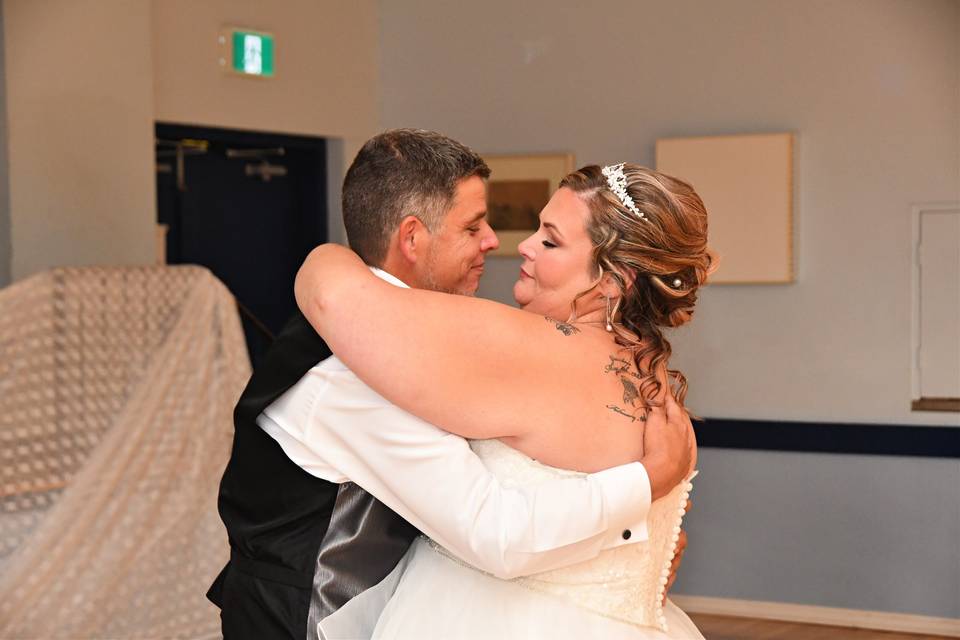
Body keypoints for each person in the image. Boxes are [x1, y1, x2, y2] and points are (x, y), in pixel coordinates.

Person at [206, 129, 696, 640]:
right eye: (473, 226)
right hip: (303, 622)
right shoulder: (357, 369)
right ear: (413, 238)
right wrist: (647, 485)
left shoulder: (449, 352)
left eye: (548, 239)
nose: (500, 242)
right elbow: (496, 532)